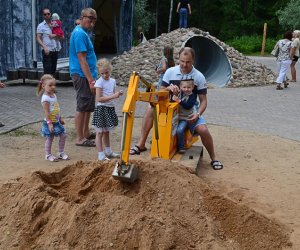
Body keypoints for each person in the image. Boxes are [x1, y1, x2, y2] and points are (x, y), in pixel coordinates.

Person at [130, 47, 223, 170]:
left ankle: (214, 158)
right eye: (182, 61)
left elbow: (203, 101)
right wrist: (168, 88)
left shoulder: (199, 76)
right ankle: (141, 144)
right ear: (178, 59)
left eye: (188, 62)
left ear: (193, 60)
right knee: (150, 108)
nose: (184, 65)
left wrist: (198, 114)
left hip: (189, 111)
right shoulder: (170, 72)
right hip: (172, 109)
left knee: (203, 130)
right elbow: (160, 91)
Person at [69, 8, 98, 147]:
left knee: (87, 106)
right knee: (82, 106)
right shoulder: (80, 34)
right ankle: (80, 138)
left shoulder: (84, 33)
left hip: (87, 75)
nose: (92, 22)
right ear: (82, 17)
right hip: (82, 75)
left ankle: (85, 133)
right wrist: (90, 80)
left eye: (94, 20)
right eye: (89, 18)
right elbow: (82, 60)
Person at [92, 59, 123, 161]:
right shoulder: (99, 82)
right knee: (99, 132)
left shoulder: (113, 81)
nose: (105, 75)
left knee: (106, 132)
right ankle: (100, 154)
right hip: (101, 109)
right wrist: (114, 95)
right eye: (102, 73)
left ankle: (108, 151)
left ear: (110, 70)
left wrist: (117, 94)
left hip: (109, 108)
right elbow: (99, 99)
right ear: (99, 73)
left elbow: (112, 95)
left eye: (107, 72)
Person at [36, 74, 69, 162]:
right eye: (50, 85)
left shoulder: (54, 95)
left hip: (56, 121)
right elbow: (46, 112)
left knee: (63, 135)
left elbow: (57, 108)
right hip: (49, 123)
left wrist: (60, 118)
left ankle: (61, 153)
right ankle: (48, 155)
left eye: (54, 85)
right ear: (43, 86)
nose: (53, 87)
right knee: (50, 138)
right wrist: (49, 123)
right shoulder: (45, 98)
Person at [172, 79, 197, 153]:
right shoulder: (180, 93)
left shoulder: (192, 96)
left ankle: (181, 147)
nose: (186, 89)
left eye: (189, 87)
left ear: (192, 87)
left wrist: (179, 101)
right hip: (177, 116)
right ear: (180, 87)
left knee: (179, 130)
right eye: (184, 87)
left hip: (186, 118)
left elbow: (188, 106)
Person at [36, 8, 63, 75]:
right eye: (45, 14)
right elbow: (38, 38)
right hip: (47, 51)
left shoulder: (55, 24)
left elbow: (62, 37)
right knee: (47, 72)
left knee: (53, 71)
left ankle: (50, 85)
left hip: (55, 50)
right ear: (43, 16)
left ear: (50, 14)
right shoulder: (41, 26)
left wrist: (54, 36)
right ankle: (45, 84)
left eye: (48, 14)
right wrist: (44, 47)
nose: (47, 15)